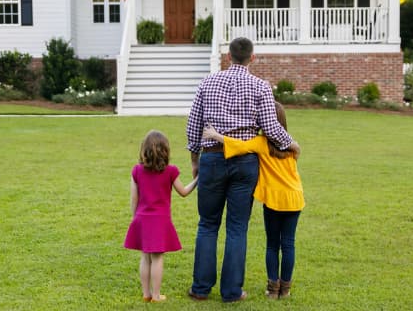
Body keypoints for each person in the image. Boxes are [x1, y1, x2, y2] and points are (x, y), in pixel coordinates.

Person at [185, 37, 301, 303]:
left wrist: (194, 160)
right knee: (237, 227)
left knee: (207, 224)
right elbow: (271, 128)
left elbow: (194, 124)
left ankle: (201, 289)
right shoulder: (260, 86)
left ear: (228, 56)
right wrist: (291, 142)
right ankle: (231, 292)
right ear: (252, 58)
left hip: (212, 158)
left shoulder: (207, 82)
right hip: (245, 163)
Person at [203, 102, 304, 300]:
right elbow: (296, 153)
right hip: (294, 197)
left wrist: (215, 136)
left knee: (273, 245)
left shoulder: (261, 142)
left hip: (274, 200)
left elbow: (239, 146)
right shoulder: (291, 145)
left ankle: (273, 289)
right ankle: (286, 289)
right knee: (289, 244)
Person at [124, 130, 198, 303]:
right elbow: (184, 192)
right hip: (160, 221)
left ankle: (146, 294)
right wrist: (198, 179)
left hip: (141, 219)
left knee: (145, 257)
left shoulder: (137, 171)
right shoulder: (170, 171)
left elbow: (133, 200)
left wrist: (136, 219)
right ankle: (156, 296)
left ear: (144, 150)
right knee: (157, 258)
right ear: (166, 151)